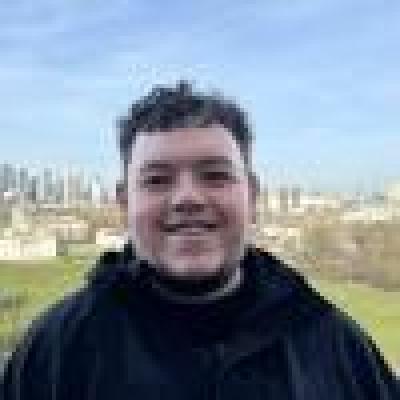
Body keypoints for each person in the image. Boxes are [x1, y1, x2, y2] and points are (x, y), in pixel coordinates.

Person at [1, 81, 399, 400]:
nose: (188, 198)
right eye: (157, 180)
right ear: (124, 203)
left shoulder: (333, 342)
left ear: (252, 195)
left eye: (215, 175)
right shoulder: (57, 349)